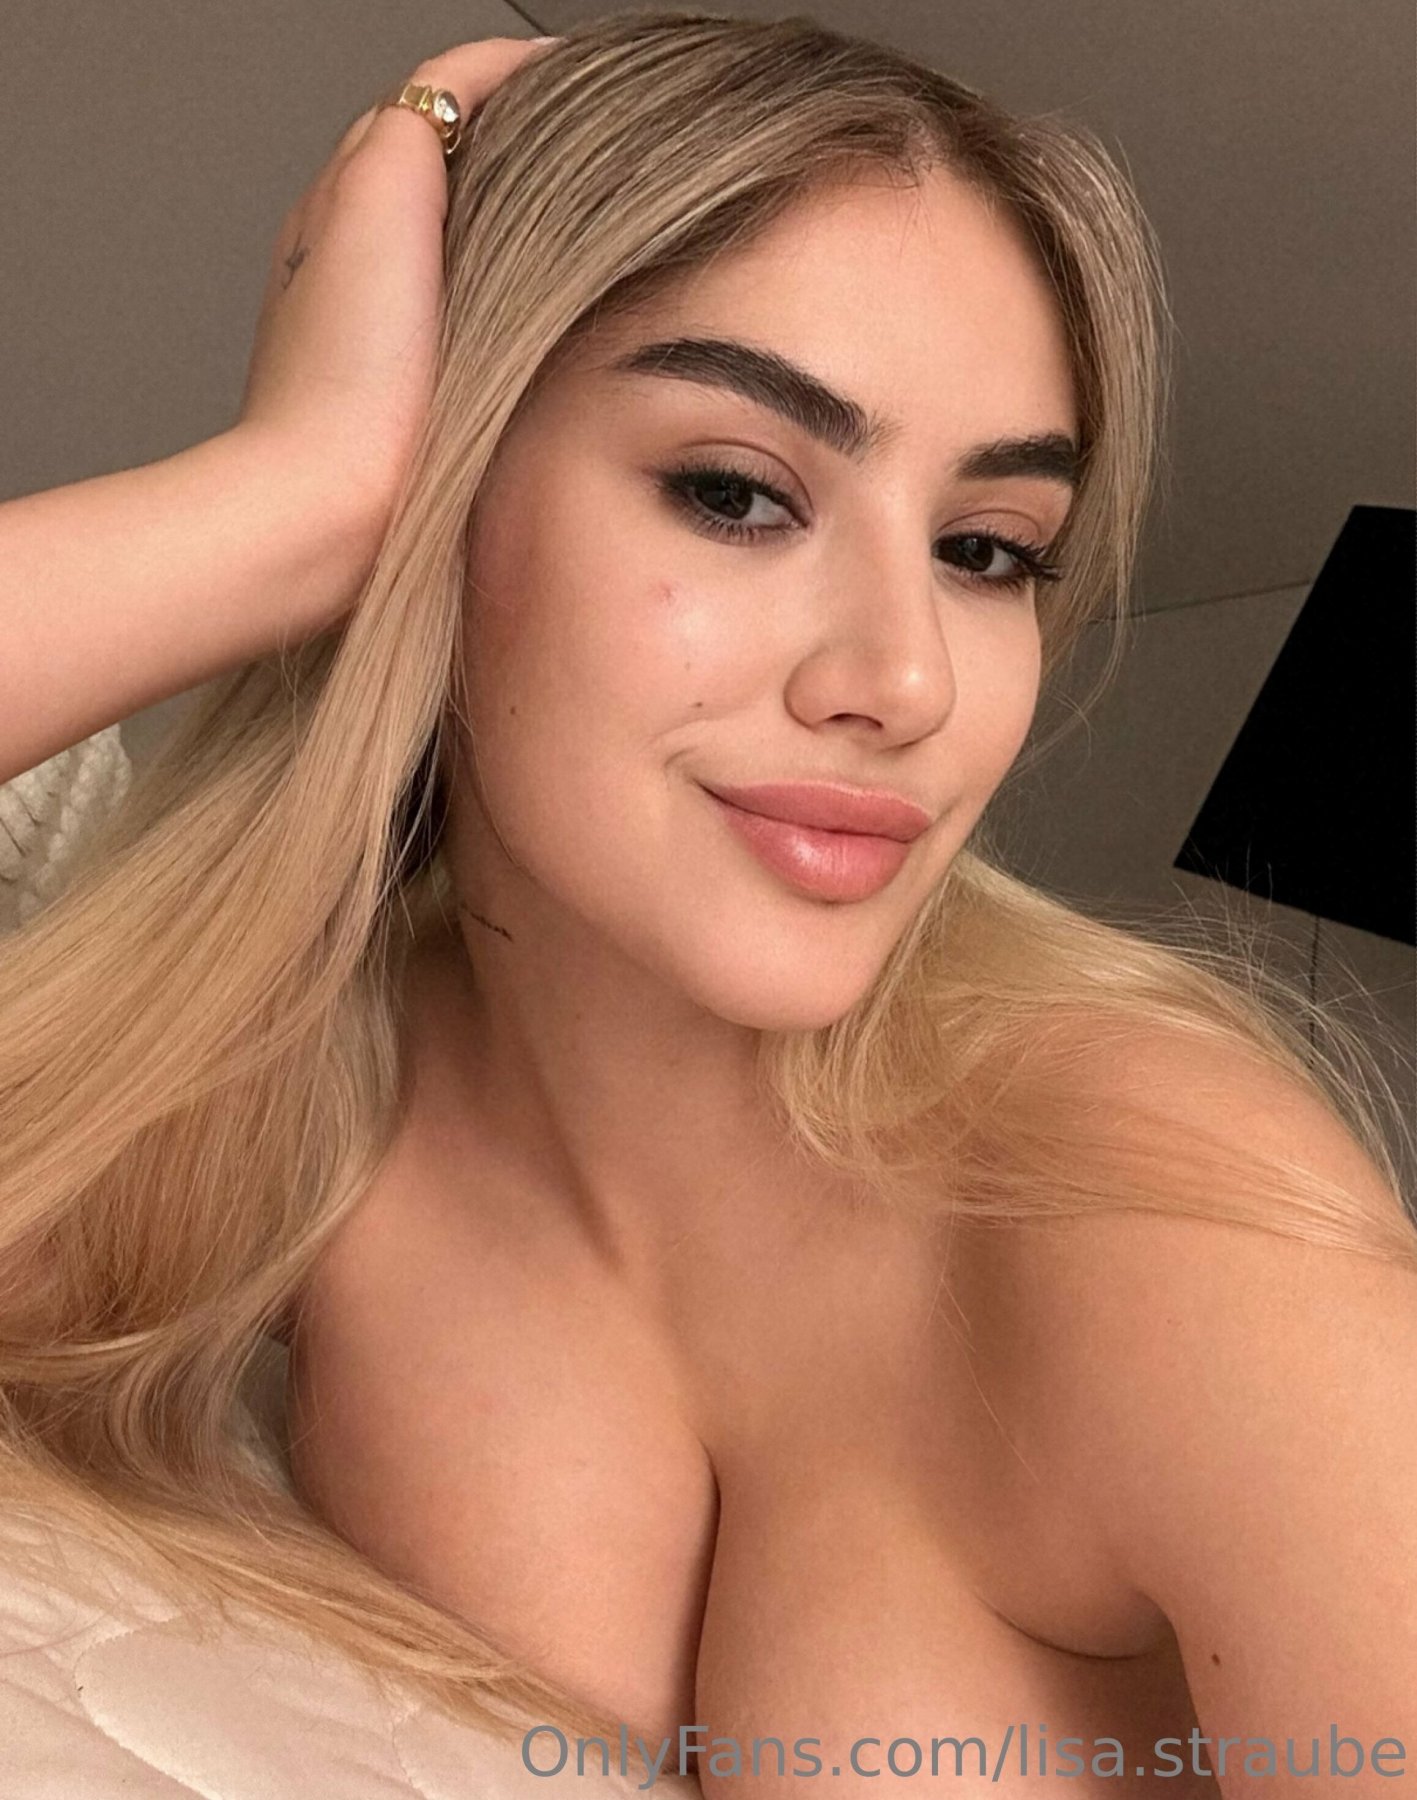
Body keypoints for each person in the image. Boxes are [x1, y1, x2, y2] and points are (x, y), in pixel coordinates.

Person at [0, 11, 1413, 1796]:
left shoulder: (1158, 1206)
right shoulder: (298, 1081)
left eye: (985, 550)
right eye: (736, 494)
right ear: (441, 492)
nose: (903, 678)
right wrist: (286, 501)